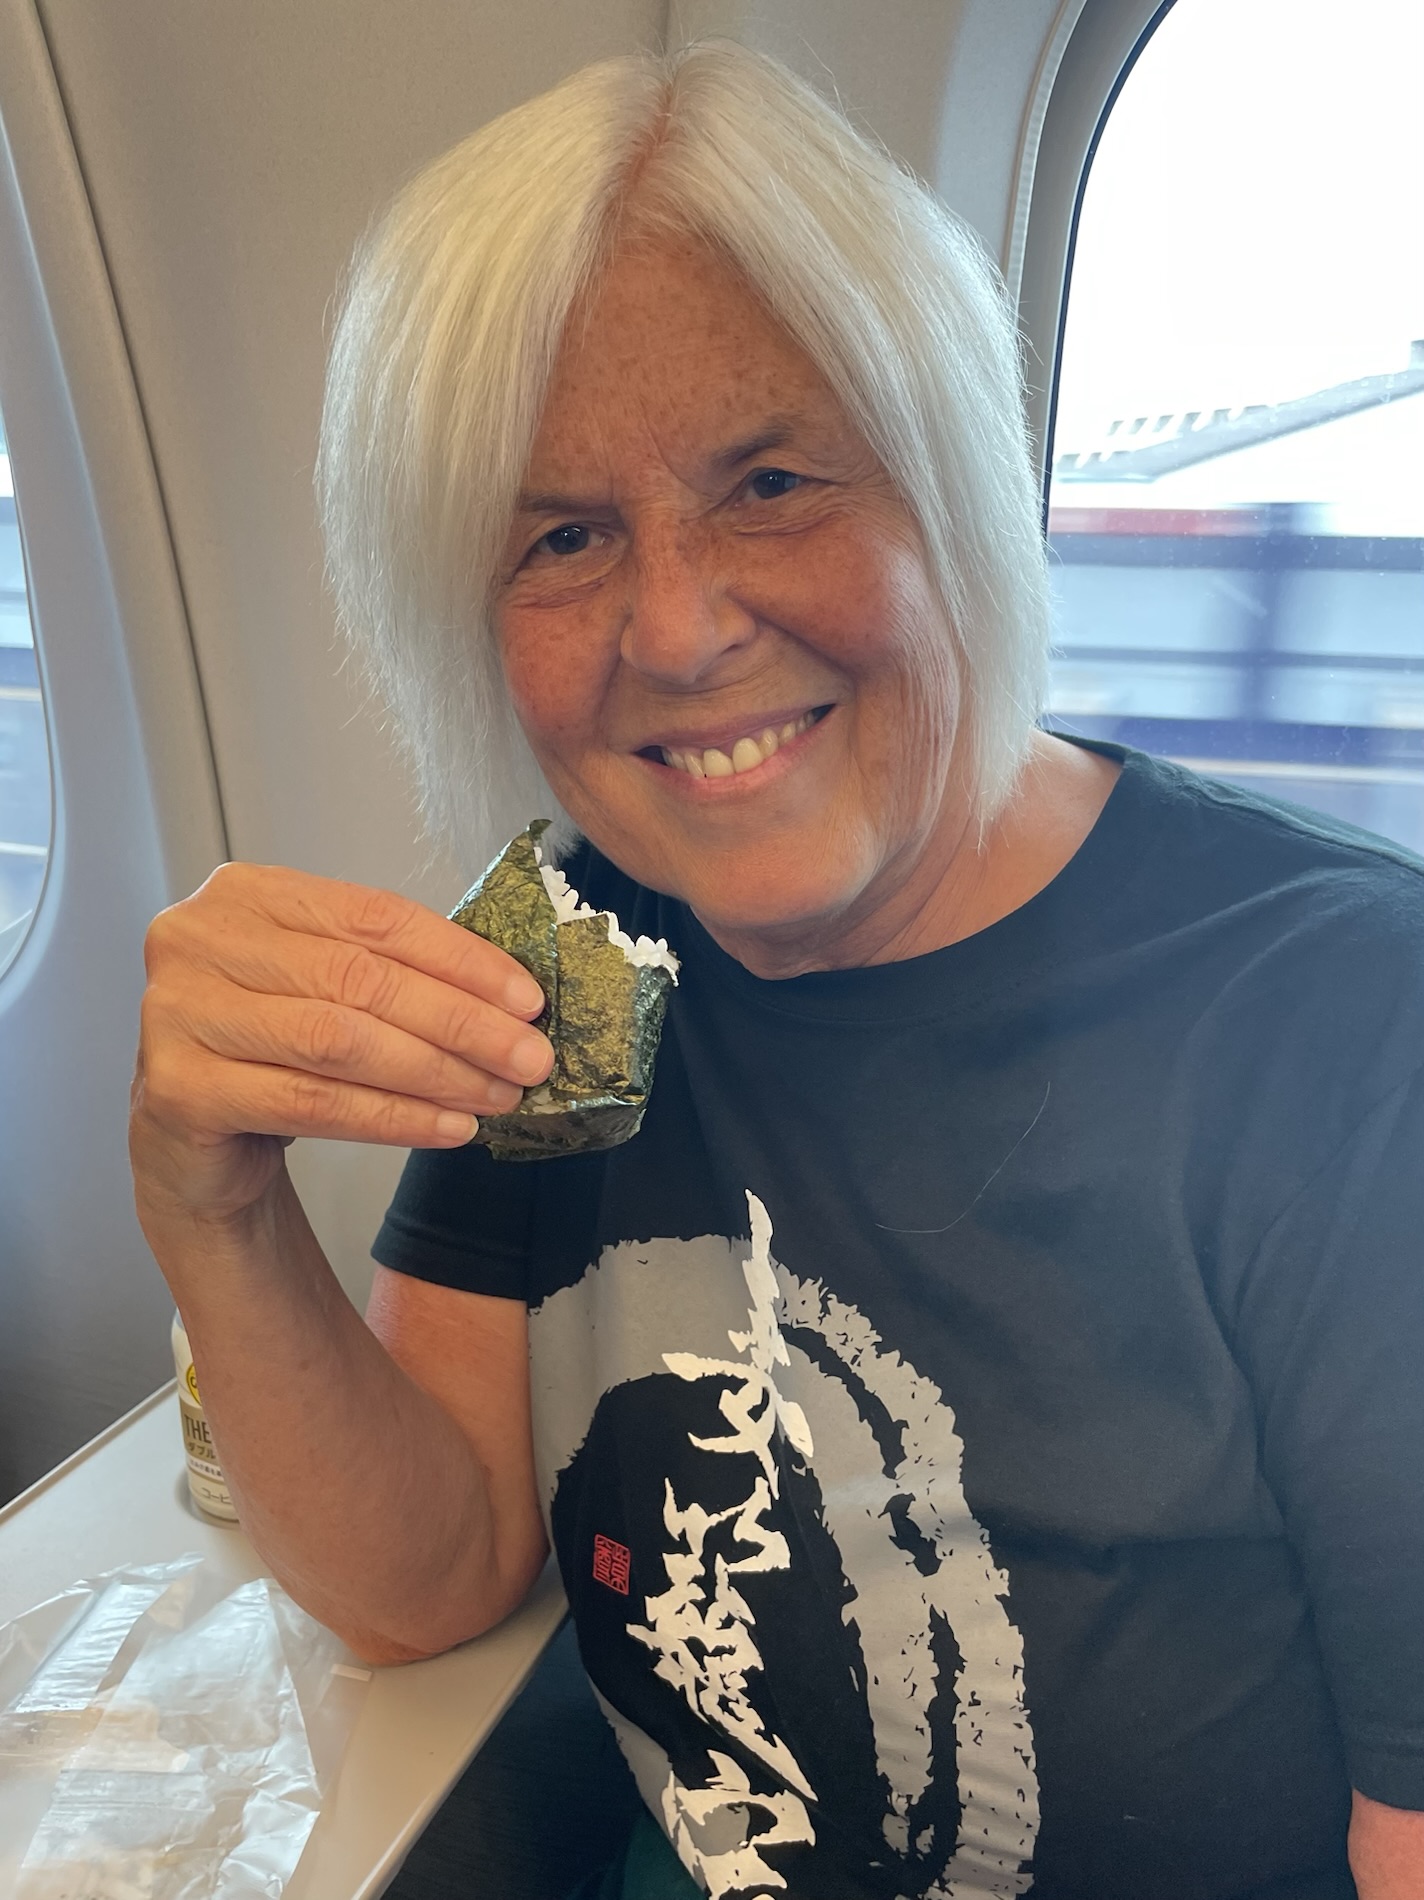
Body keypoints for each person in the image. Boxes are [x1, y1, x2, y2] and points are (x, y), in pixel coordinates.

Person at [129, 42, 1424, 1900]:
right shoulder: (577, 957)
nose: (675, 627)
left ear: (950, 483)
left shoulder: (1353, 1027)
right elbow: (425, 1578)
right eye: (563, 535)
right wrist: (210, 1203)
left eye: (772, 480)